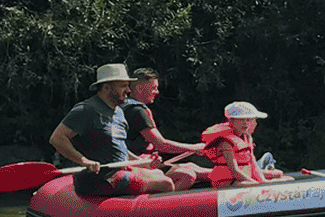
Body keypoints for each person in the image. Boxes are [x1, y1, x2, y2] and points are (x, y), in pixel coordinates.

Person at [51, 63, 162, 196]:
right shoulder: (86, 110)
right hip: (99, 179)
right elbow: (57, 138)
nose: (128, 90)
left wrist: (141, 162)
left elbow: (118, 149)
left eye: (128, 85)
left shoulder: (119, 112)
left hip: (120, 171)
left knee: (159, 173)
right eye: (123, 86)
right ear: (106, 87)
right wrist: (84, 161)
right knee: (165, 183)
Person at [121, 68, 209, 190]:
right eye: (153, 87)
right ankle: (159, 207)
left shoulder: (128, 108)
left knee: (191, 166)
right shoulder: (136, 112)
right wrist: (194, 148)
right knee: (187, 175)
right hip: (139, 166)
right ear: (139, 88)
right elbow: (161, 144)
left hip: (147, 162)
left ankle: (232, 176)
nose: (156, 92)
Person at [199, 102, 288, 188]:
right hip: (229, 183)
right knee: (262, 185)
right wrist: (258, 184)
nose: (245, 123)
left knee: (287, 179)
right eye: (241, 119)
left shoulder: (247, 137)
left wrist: (263, 181)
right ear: (231, 121)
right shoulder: (225, 142)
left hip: (244, 178)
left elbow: (253, 163)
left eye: (248, 120)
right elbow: (235, 171)